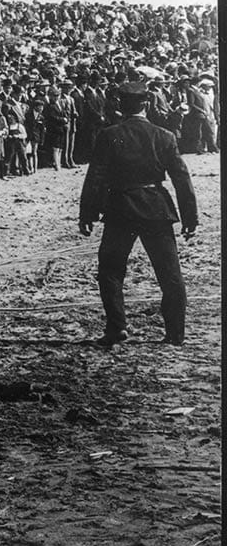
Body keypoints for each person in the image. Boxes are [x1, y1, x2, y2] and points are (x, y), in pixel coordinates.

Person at [78, 81, 197, 347]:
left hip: (120, 208)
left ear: (120, 105)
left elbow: (95, 178)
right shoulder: (164, 135)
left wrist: (87, 214)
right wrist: (190, 219)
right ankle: (175, 334)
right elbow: (182, 179)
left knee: (110, 270)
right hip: (156, 207)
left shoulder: (109, 135)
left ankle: (116, 328)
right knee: (170, 274)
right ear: (148, 104)